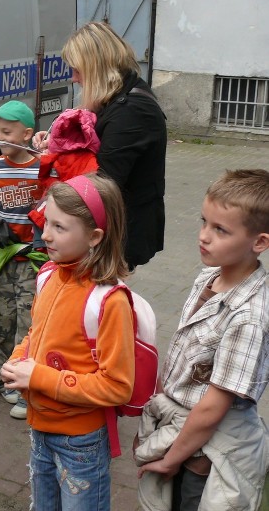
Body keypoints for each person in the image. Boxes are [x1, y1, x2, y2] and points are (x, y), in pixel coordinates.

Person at [134, 169, 269, 511]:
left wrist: (170, 460)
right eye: (204, 222)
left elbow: (212, 408)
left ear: (259, 243)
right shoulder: (209, 277)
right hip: (181, 432)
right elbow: (185, 357)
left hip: (206, 454)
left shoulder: (250, 316)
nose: (204, 237)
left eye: (220, 229)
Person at [1, 173, 135, 511]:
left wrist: (39, 378)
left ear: (94, 237)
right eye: (46, 222)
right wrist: (18, 359)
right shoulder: (47, 275)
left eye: (59, 227)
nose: (45, 234)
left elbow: (118, 386)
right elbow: (37, 333)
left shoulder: (109, 302)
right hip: (40, 430)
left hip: (81, 444)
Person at [34, 21, 167, 270]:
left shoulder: (133, 111)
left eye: (77, 69)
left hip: (118, 236)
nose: (73, 78)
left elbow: (104, 181)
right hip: (111, 230)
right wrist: (58, 143)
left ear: (96, 66)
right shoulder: (121, 96)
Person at [0, 100, 48, 420]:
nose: (0, 137)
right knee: (0, 318)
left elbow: (51, 204)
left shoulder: (42, 166)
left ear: (27, 133)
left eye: (7, 131)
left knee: (27, 321)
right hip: (2, 257)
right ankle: (1, 378)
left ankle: (23, 386)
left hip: (31, 258)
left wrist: (38, 234)